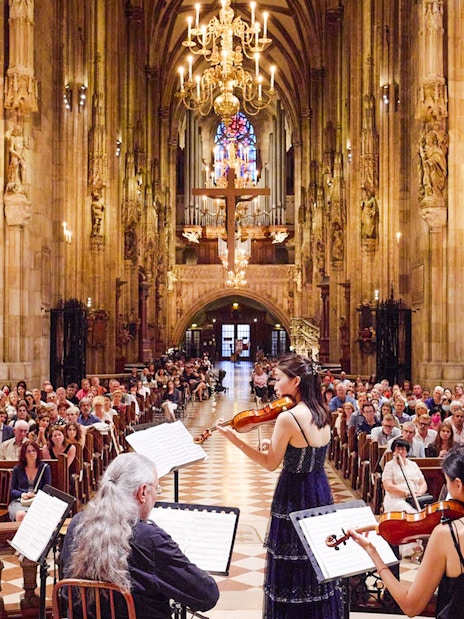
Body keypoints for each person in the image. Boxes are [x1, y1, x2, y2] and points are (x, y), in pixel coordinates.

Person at [216, 354, 342, 618]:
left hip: (294, 494)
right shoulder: (323, 411)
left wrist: (234, 440)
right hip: (319, 490)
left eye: (279, 378)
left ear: (295, 381)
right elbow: (309, 451)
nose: (274, 385)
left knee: (291, 564)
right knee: (313, 560)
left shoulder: (289, 418)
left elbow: (270, 464)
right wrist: (279, 448)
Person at [60, 452, 219, 619]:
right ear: (143, 492)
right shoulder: (149, 539)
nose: (156, 495)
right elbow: (207, 596)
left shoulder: (77, 524)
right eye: (156, 489)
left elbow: (67, 591)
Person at [349, 446, 464, 618]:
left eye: (446, 482)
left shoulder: (447, 534)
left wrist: (372, 552)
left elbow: (411, 607)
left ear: (458, 485)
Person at [382, 438, 428, 514]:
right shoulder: (389, 465)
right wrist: (406, 493)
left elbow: (423, 483)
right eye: (398, 449)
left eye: (403, 449)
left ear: (407, 451)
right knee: (411, 513)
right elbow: (388, 486)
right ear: (393, 451)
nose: (400, 452)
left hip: (415, 499)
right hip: (396, 499)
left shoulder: (413, 464)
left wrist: (419, 493)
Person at [8, 441, 51, 522]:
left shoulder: (44, 468)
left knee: (37, 515)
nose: (32, 453)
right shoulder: (17, 469)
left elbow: (47, 489)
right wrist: (22, 494)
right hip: (20, 501)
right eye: (28, 451)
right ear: (24, 454)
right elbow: (12, 490)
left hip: (38, 501)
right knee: (21, 515)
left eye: (34, 450)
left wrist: (36, 495)